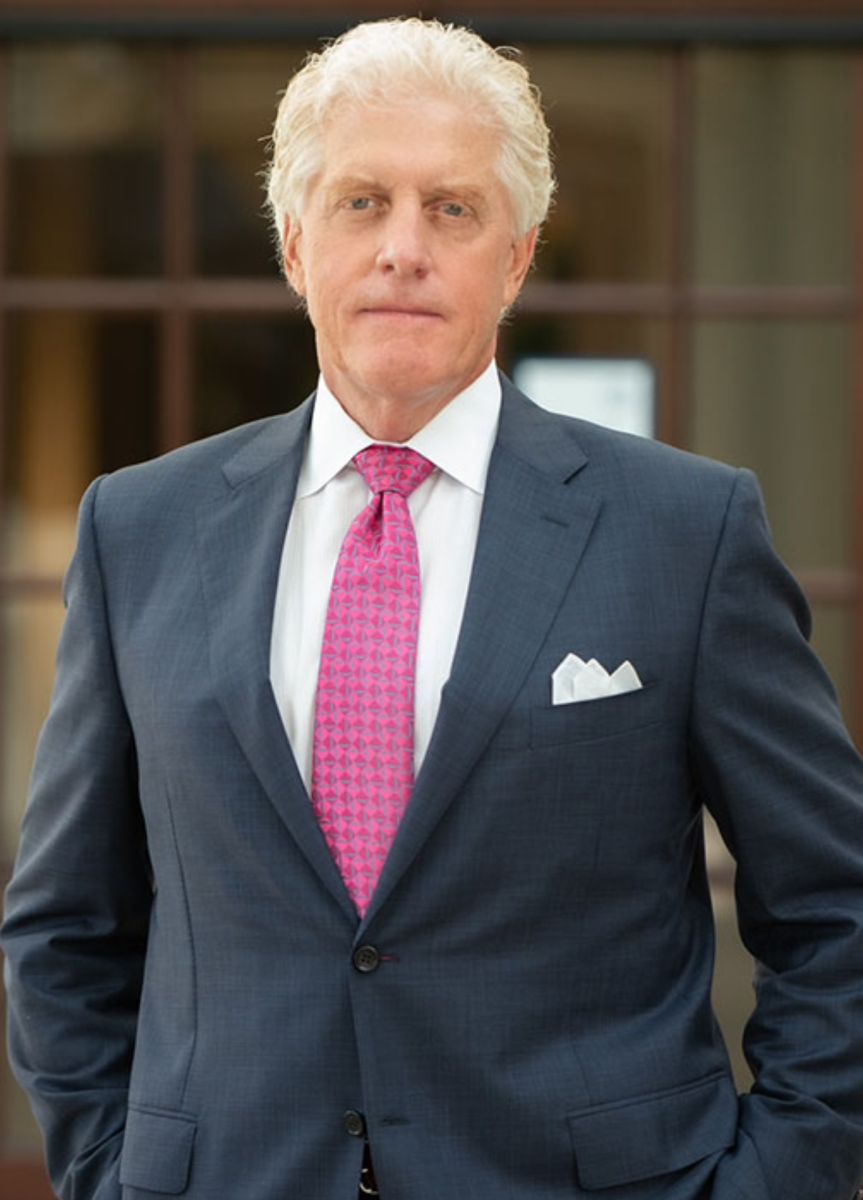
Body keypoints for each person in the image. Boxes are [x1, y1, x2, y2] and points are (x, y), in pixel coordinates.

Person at [3, 16, 863, 1200]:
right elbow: (66, 925)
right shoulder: (139, 530)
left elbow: (830, 907)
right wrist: (109, 1172)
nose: (402, 249)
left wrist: (774, 1177)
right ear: (295, 242)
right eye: (361, 203)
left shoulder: (684, 532)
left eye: (451, 209)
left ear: (515, 258)